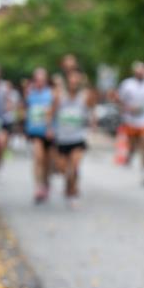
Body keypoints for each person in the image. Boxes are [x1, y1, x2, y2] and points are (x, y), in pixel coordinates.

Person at [48, 69, 95, 208]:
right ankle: (68, 186)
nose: (73, 82)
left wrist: (92, 122)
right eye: (71, 80)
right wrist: (49, 128)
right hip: (62, 138)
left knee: (74, 166)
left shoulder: (84, 96)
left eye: (76, 80)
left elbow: (92, 109)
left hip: (78, 138)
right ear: (67, 82)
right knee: (63, 169)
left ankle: (72, 193)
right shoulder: (59, 97)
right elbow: (51, 113)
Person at [116, 61, 144, 187]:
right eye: (138, 71)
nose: (140, 73)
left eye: (143, 71)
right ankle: (130, 156)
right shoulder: (127, 85)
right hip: (130, 120)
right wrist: (127, 108)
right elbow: (119, 100)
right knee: (133, 145)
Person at [24, 67, 54, 203]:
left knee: (47, 162)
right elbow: (25, 111)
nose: (39, 82)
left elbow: (55, 112)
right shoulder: (30, 94)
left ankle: (46, 183)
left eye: (42, 80)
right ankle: (38, 186)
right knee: (38, 158)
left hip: (49, 133)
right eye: (37, 80)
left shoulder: (52, 94)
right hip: (35, 132)